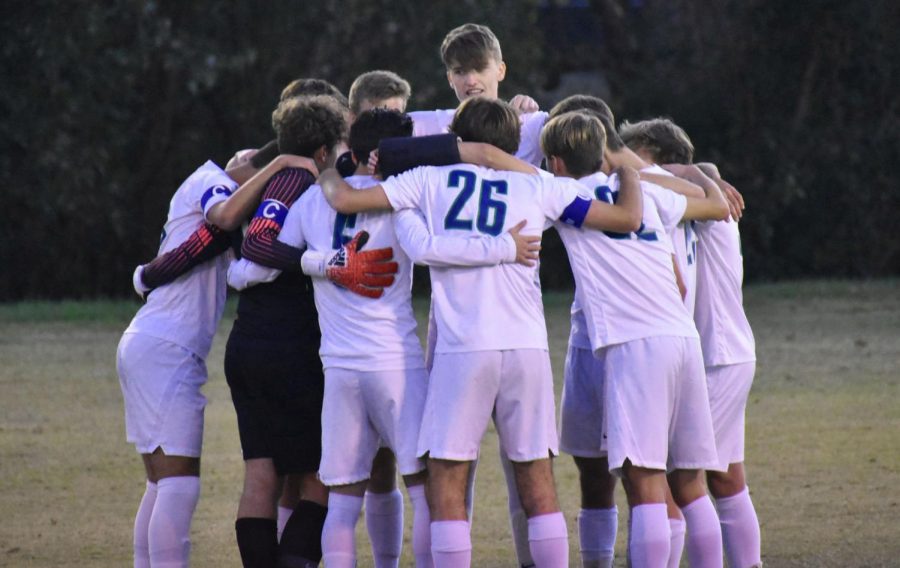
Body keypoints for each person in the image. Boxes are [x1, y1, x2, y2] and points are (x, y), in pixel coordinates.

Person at [317, 97, 644, 568]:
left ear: (456, 138)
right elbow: (626, 218)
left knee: (448, 481)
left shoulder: (426, 179)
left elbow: (344, 198)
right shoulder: (538, 186)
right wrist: (629, 168)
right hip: (525, 346)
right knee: (537, 480)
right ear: (514, 141)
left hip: (462, 347)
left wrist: (327, 168)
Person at [542, 110, 728, 568]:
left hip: (633, 343)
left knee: (645, 481)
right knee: (691, 484)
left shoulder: (561, 192)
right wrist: (667, 171)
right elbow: (713, 205)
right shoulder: (644, 190)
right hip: (682, 337)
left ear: (556, 163)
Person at [118, 150, 318, 568]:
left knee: (159, 484)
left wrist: (146, 275)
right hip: (166, 345)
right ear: (248, 161)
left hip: (155, 342)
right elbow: (220, 224)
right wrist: (280, 167)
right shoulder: (214, 180)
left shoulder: (229, 191)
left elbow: (204, 243)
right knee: (178, 485)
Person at [620, 117, 761, 568]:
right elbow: (694, 169)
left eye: (635, 157)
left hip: (717, 355)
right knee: (725, 477)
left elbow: (648, 175)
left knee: (683, 479)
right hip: (727, 351)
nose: (627, 168)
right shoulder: (696, 196)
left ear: (662, 164)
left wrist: (699, 171)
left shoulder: (690, 200)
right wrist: (704, 170)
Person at [223, 93, 348, 568]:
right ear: (323, 150)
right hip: (288, 344)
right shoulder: (296, 178)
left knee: (262, 473)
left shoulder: (287, 174)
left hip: (250, 341)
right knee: (319, 474)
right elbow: (258, 242)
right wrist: (314, 264)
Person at [409, 23, 547, 169]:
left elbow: (571, 129)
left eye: (480, 68)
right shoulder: (427, 125)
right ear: (450, 78)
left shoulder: (530, 123)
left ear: (500, 70)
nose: (471, 81)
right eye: (460, 72)